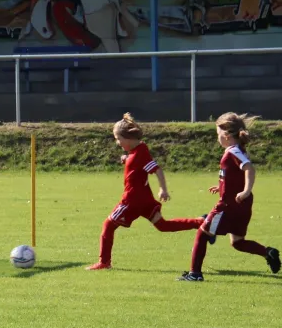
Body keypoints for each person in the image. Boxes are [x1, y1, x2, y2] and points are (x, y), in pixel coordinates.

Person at [86, 113, 207, 270]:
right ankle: (201, 222)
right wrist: (126, 158)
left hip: (131, 201)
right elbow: (135, 162)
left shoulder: (141, 154)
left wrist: (163, 189)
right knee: (162, 225)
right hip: (145, 201)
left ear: (128, 138)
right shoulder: (137, 151)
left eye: (118, 139)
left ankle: (104, 262)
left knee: (108, 225)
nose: (118, 143)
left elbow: (157, 170)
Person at [178, 112, 280, 281]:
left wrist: (246, 190)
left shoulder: (233, 151)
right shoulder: (238, 150)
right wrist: (221, 187)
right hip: (242, 205)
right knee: (238, 242)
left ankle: (195, 274)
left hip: (228, 205)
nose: (217, 138)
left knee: (202, 233)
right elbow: (235, 176)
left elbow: (249, 168)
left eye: (218, 134)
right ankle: (267, 252)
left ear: (226, 135)